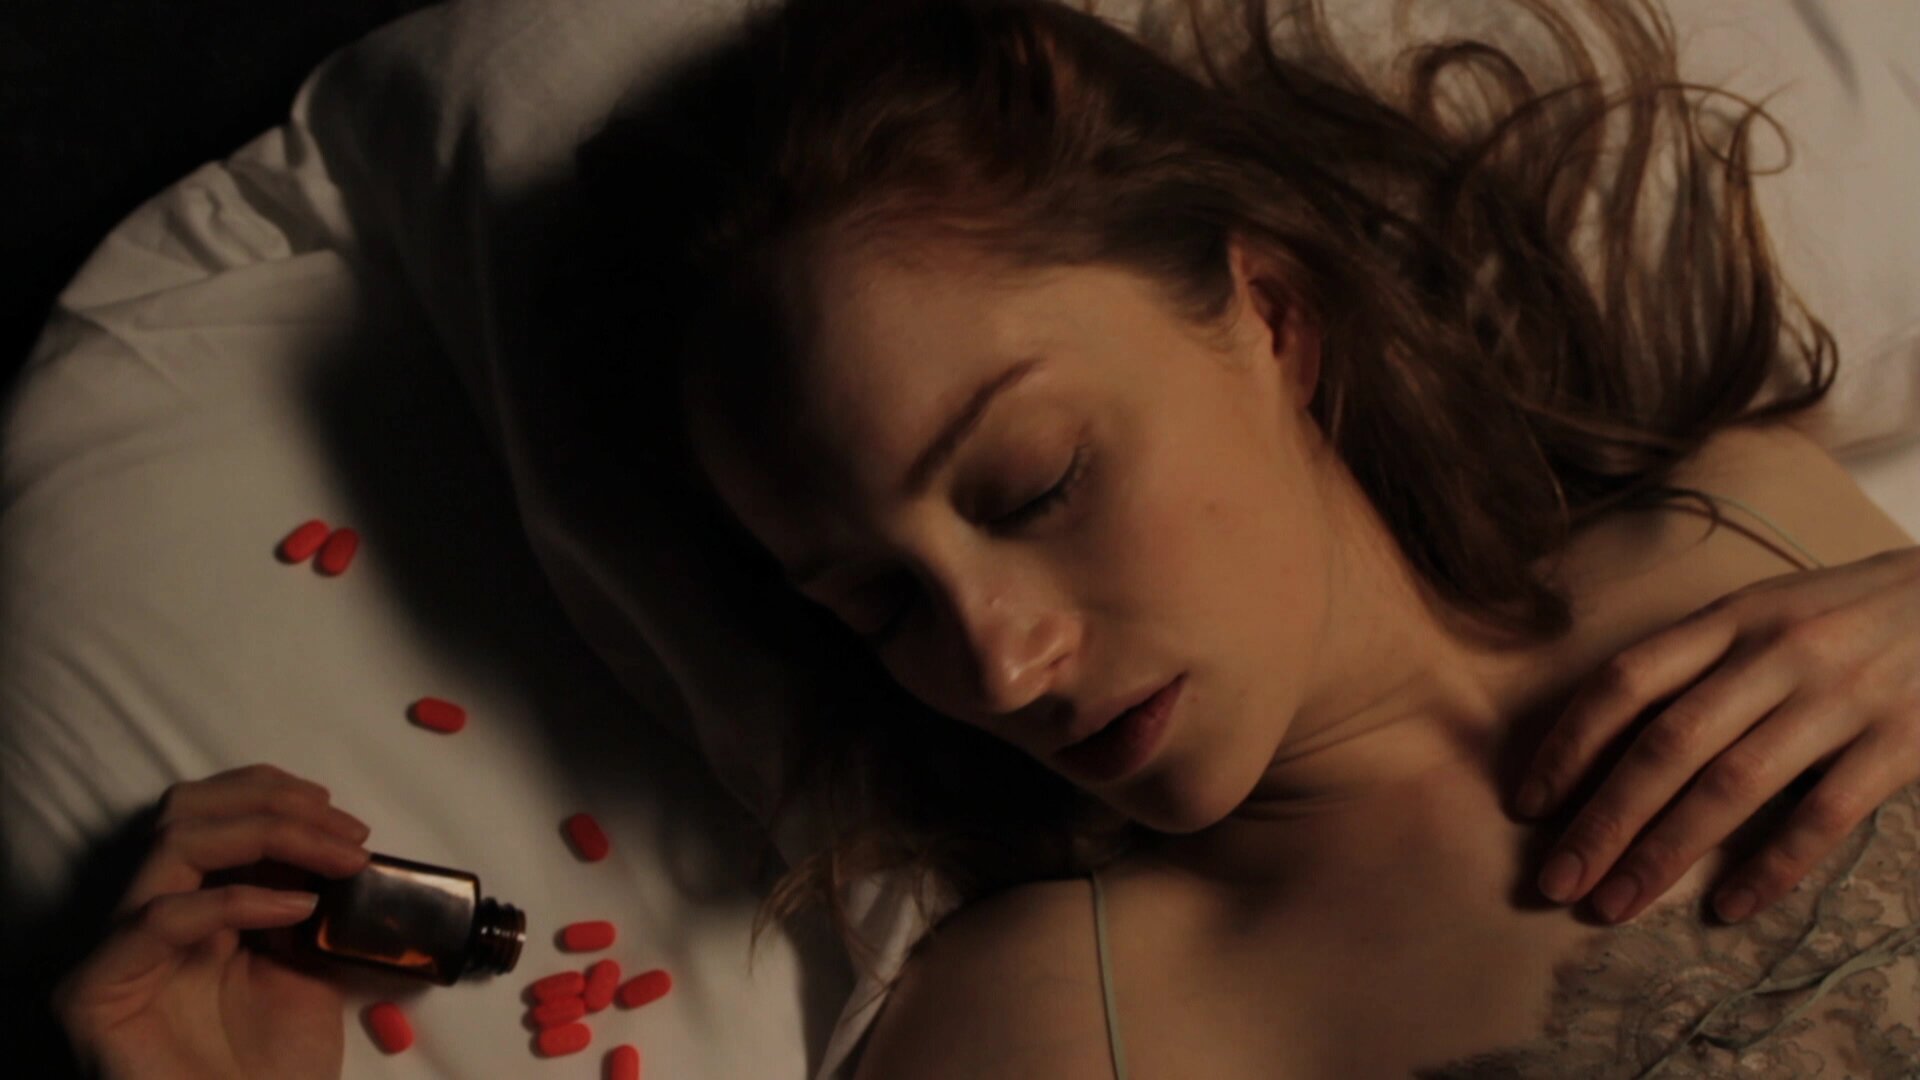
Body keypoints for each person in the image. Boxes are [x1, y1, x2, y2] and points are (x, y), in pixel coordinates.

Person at [49, 0, 1920, 1076]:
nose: (997, 663)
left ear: (1269, 318)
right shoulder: (1057, 1025)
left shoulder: (1752, 509)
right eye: (871, 603)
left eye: (1032, 487)